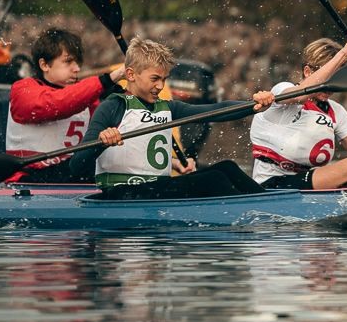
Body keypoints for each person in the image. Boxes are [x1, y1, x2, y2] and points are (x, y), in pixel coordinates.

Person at [69, 37, 271, 200]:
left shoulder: (167, 107)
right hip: (122, 194)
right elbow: (76, 166)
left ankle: (268, 204)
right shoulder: (112, 107)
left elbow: (215, 111)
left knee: (228, 167)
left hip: (155, 190)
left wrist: (253, 106)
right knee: (214, 179)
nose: (160, 86)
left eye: (164, 79)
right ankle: (254, 218)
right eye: (154, 79)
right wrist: (101, 143)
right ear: (130, 74)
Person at [249, 37, 347, 189]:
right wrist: (344, 53)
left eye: (336, 79)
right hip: (270, 186)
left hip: (305, 184)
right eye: (327, 78)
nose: (330, 86)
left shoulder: (336, 112)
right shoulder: (282, 92)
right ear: (307, 72)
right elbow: (300, 95)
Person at [4, 28, 124, 184]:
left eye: (77, 62)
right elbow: (57, 104)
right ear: (44, 65)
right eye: (68, 62)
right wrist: (107, 80)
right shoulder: (22, 90)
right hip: (28, 177)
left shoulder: (87, 96)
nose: (77, 68)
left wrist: (120, 98)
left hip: (69, 173)